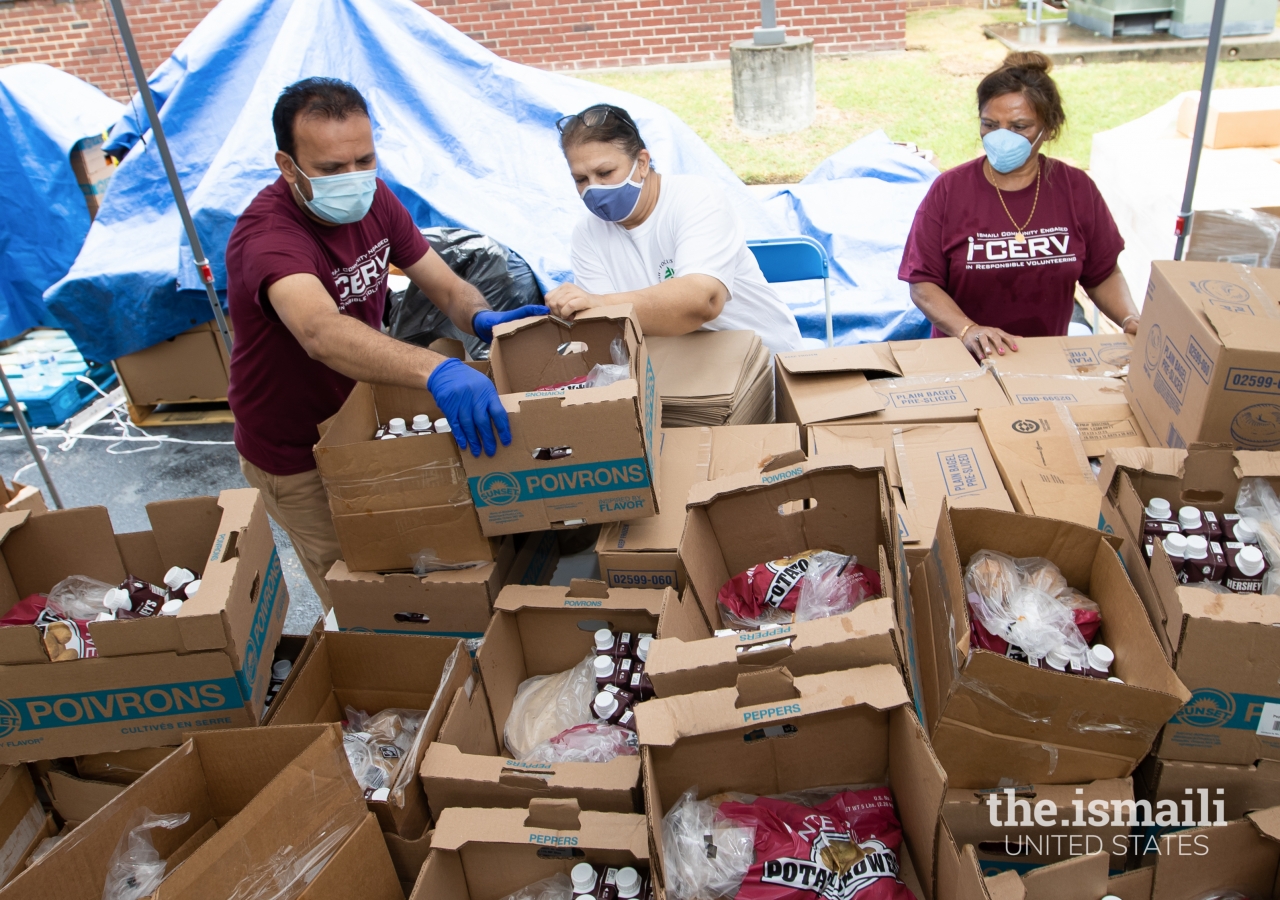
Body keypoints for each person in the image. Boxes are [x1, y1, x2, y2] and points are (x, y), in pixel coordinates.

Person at [225, 77, 545, 608]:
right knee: (364, 595)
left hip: (358, 419)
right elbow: (320, 332)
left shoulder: (374, 199)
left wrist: (483, 316)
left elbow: (441, 283)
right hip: (294, 451)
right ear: (289, 166)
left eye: (363, 160)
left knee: (416, 562)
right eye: (330, 169)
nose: (352, 178)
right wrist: (436, 371)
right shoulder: (269, 238)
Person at [899, 52, 1140, 360]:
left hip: (1047, 360)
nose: (1001, 137)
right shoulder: (950, 190)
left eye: (1019, 126)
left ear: (1049, 128)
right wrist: (967, 329)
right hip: (963, 360)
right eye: (990, 124)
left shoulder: (1075, 189)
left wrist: (1129, 317)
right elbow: (922, 283)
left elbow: (1102, 273)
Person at [546, 104, 803, 355]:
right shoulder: (587, 235)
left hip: (763, 365)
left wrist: (601, 303)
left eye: (605, 172)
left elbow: (702, 301)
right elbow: (609, 333)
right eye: (580, 179)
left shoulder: (695, 198)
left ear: (642, 163)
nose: (594, 189)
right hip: (679, 375)